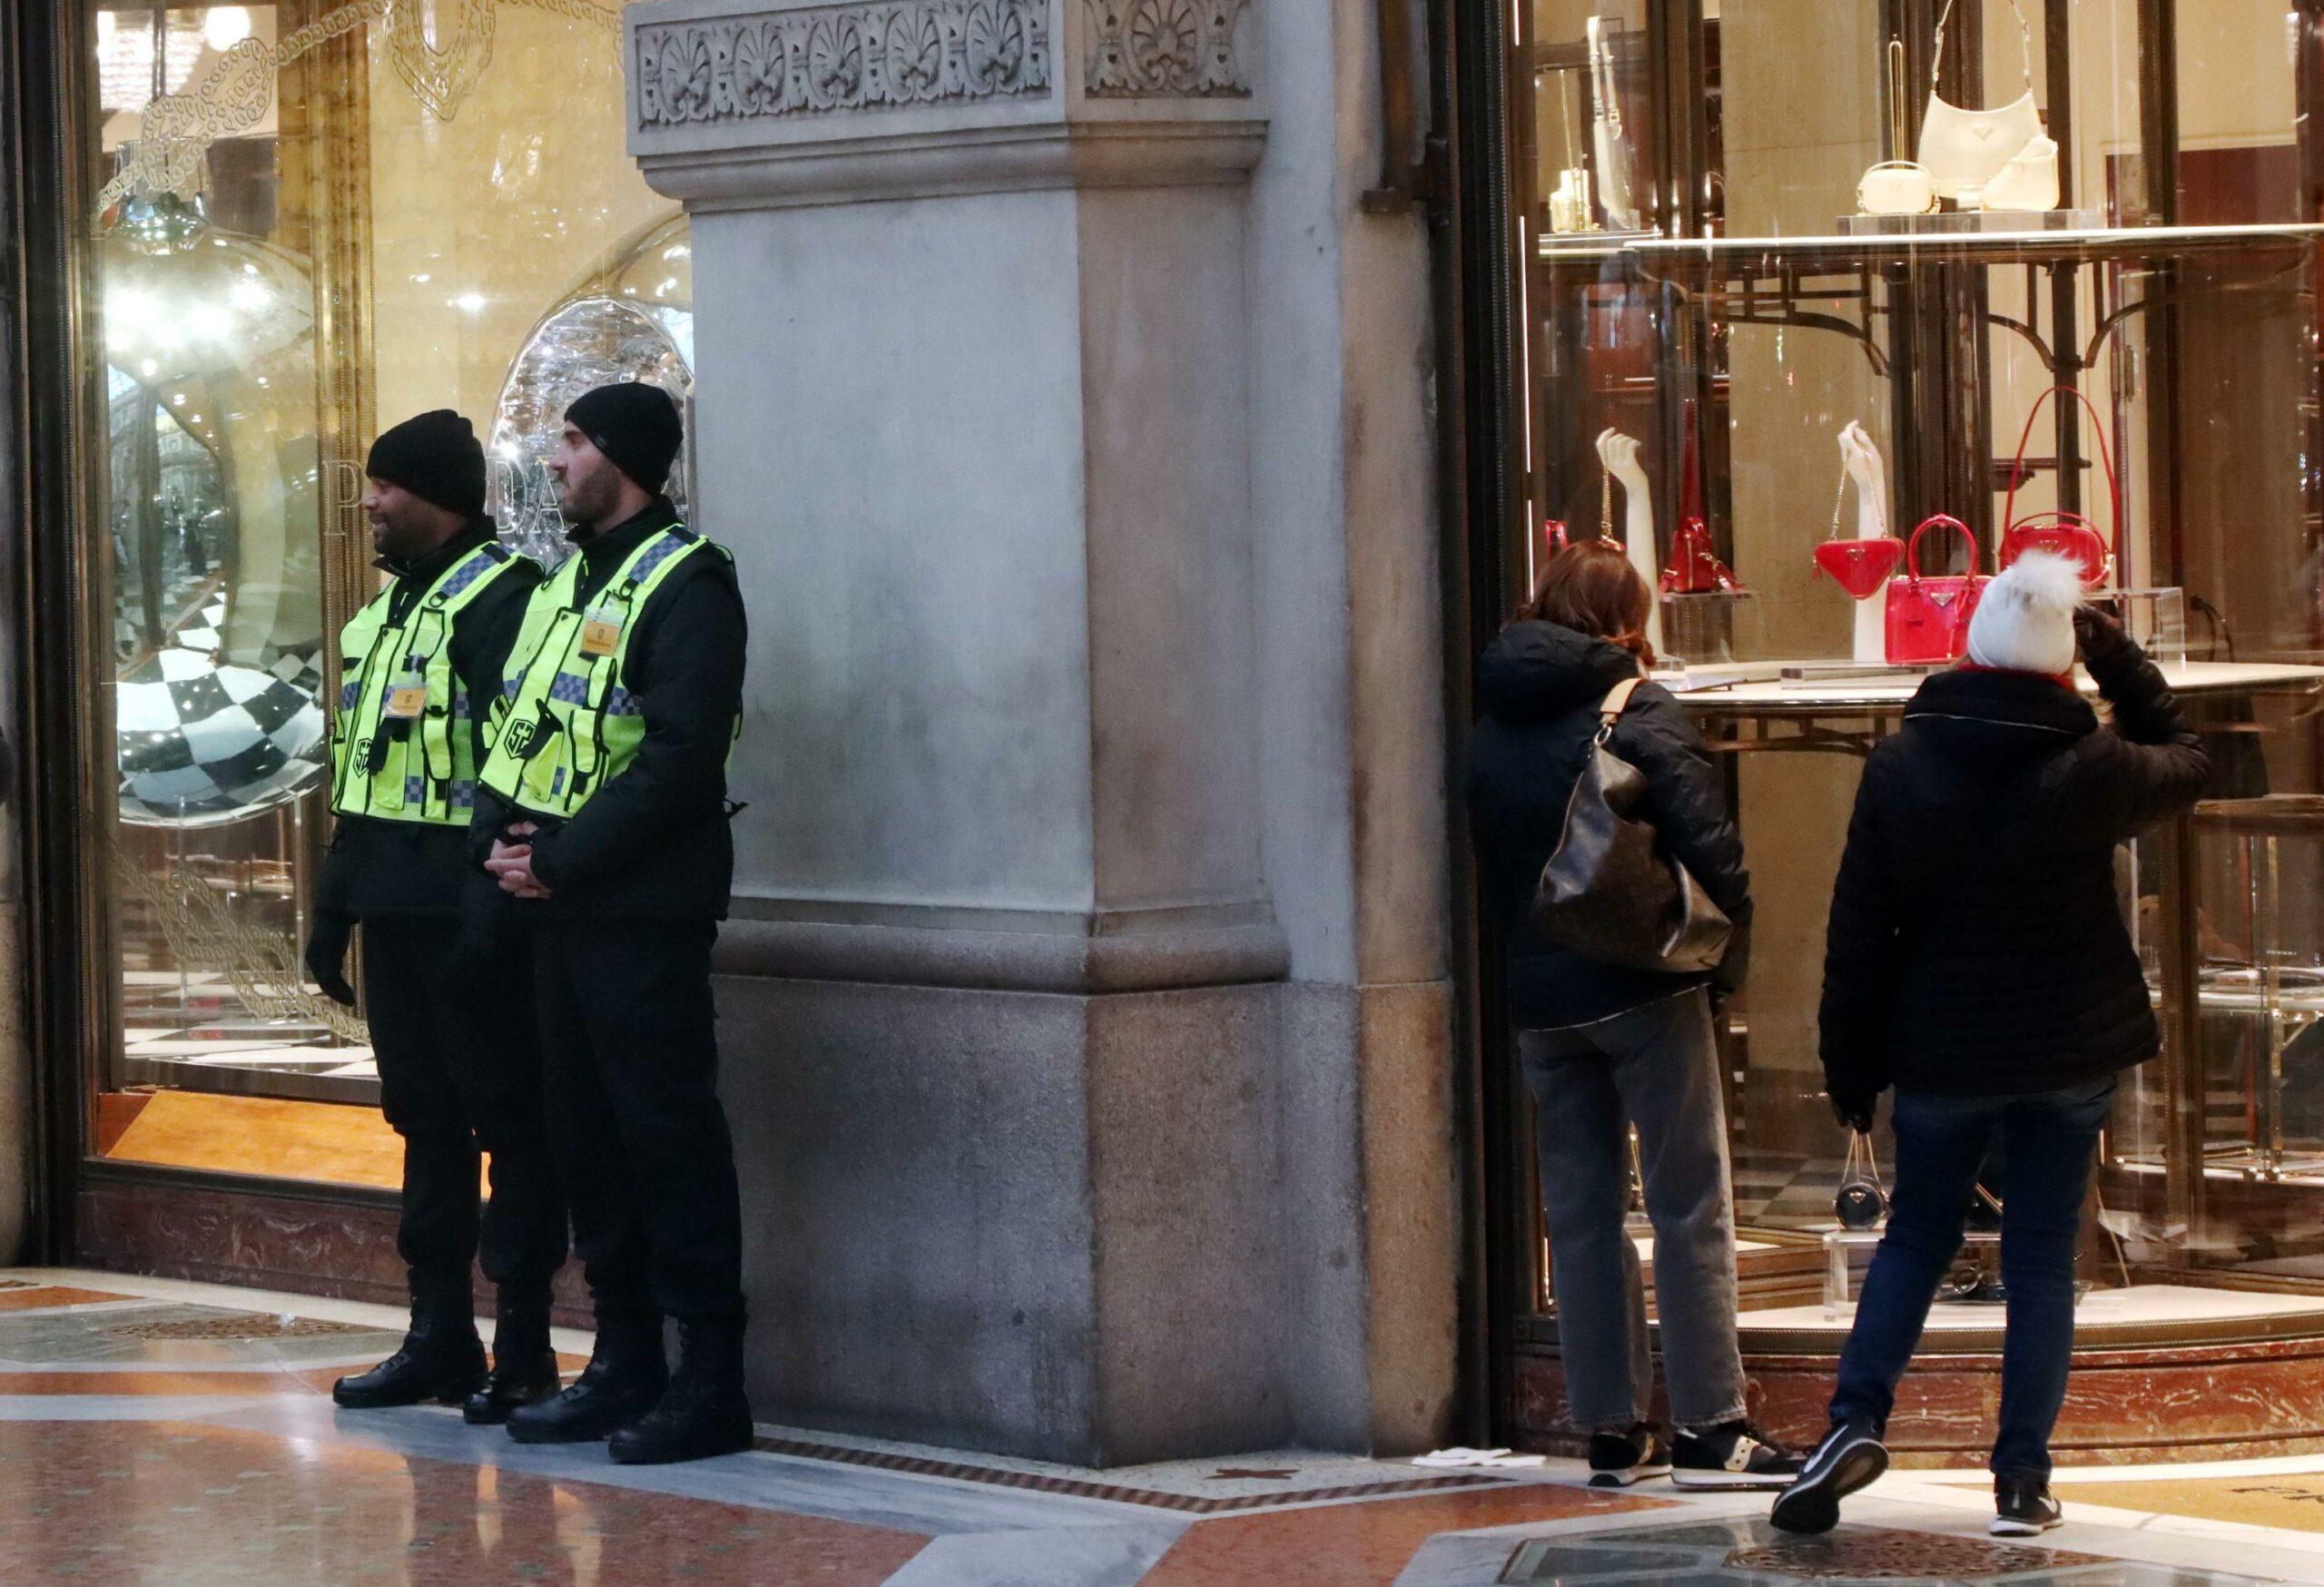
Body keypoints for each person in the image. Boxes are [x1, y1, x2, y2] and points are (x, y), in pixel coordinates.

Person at [1775, 551, 2208, 1538]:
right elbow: (2187, 752)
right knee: (2043, 1258)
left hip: (1943, 1049)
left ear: (1967, 651)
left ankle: (1853, 1421)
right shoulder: (2092, 765)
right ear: (2063, 669)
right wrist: (2114, 652)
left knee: (1916, 1236)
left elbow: (1858, 929)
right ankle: (2021, 1475)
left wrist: (1849, 1064)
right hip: (2067, 1050)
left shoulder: (1900, 764)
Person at [1463, 541, 1797, 1490]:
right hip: (1642, 983)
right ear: (1622, 620)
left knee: (1577, 1212)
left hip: (1539, 1000)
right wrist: (1728, 952)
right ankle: (1711, 1424)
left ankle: (1609, 1425)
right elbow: (1709, 839)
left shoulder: (1490, 718)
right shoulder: (1632, 704)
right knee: (1689, 1199)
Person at [468, 380, 753, 1465]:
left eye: (575, 441)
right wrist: (497, 840)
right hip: (553, 907)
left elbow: (683, 758)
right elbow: (517, 726)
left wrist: (563, 858)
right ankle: (624, 1358)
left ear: (623, 457)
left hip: (638, 910)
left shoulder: (690, 582)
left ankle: (710, 1381)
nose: (555, 459)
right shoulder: (562, 584)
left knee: (666, 1137)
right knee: (586, 1140)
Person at [308, 409, 567, 1422]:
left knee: (511, 1121)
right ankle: (437, 1335)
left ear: (437, 495)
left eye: (384, 485)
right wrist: (334, 909)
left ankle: (527, 1344)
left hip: (472, 914)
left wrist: (487, 900)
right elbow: (358, 773)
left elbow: (524, 760)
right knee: (422, 1121)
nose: (368, 502)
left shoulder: (505, 600)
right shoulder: (378, 617)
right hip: (391, 909)